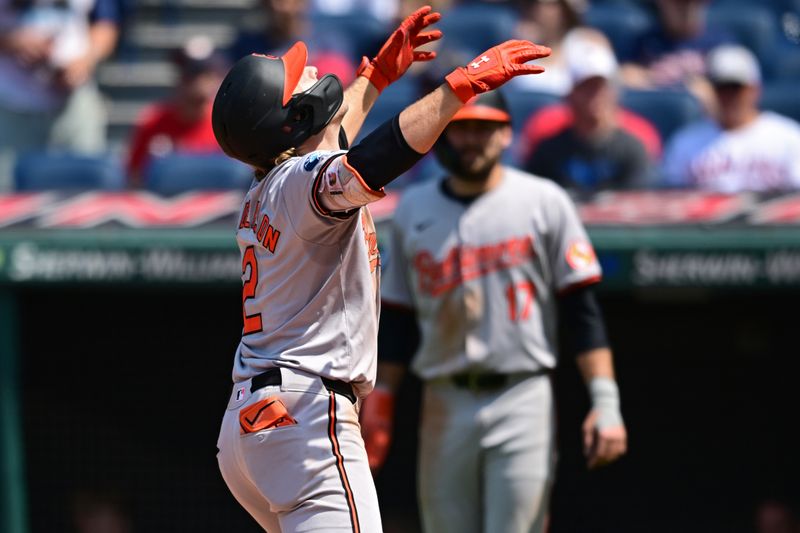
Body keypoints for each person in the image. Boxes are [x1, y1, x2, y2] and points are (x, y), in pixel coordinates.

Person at [212, 3, 552, 530]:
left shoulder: (268, 186)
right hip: (305, 416)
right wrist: (460, 87)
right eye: (293, 78)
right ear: (291, 117)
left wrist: (376, 76)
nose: (307, 69)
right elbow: (370, 160)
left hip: (252, 428)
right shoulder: (301, 183)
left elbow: (328, 140)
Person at [360, 89, 628, 533]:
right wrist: (382, 398)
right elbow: (399, 318)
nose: (471, 140)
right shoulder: (414, 209)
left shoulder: (544, 201)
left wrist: (606, 401)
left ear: (506, 134)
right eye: (461, 128)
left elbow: (582, 311)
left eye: (483, 129)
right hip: (443, 395)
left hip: (521, 393)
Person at [0, 0, 120, 190]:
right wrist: (12, 41)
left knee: (86, 187)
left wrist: (86, 60)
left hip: (74, 101)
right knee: (7, 192)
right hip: (11, 103)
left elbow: (105, 24)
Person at [525, 32, 653, 194]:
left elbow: (638, 204)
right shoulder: (548, 152)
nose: (595, 96)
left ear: (613, 92)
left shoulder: (631, 150)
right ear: (570, 93)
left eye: (601, 87)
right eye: (586, 87)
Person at [661, 44, 800, 192]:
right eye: (722, 89)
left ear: (755, 89)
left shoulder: (788, 138)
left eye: (736, 89)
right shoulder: (684, 142)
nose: (729, 97)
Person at [125, 36, 228, 184]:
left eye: (203, 73)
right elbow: (133, 177)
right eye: (189, 73)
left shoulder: (227, 125)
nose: (196, 82)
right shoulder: (152, 122)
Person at [620, 0, 735, 116]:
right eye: (678, 2)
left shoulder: (722, 43)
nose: (685, 10)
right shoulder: (644, 42)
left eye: (690, 3)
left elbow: (736, 97)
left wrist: (712, 93)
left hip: (701, 123)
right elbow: (626, 76)